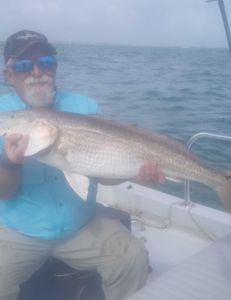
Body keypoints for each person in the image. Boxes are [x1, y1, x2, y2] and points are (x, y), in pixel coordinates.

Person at [0, 30, 164, 300]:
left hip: (81, 225)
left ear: (55, 67)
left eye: (46, 63)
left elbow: (102, 175)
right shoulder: (5, 118)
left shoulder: (84, 107)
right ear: (9, 75)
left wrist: (138, 171)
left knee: (132, 257)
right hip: (20, 230)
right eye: (24, 66)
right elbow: (3, 193)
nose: (37, 71)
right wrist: (10, 163)